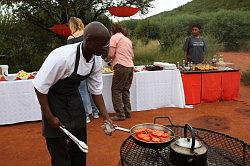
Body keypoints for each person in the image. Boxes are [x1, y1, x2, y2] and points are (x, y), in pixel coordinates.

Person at [33, 21, 113, 166]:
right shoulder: (62, 57)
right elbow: (39, 87)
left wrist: (106, 118)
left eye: (106, 44)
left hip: (73, 98)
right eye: (102, 45)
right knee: (60, 154)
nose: (105, 49)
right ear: (88, 42)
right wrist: (50, 117)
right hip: (54, 99)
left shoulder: (96, 60)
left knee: (79, 149)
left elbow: (96, 90)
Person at [67, 17, 99, 123]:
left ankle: (86, 115)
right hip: (91, 64)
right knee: (93, 90)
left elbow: (70, 55)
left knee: (82, 91)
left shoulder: (71, 38)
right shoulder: (87, 34)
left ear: (72, 25)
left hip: (80, 68)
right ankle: (95, 112)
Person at [108, 24, 134, 121]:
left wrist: (108, 59)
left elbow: (111, 54)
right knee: (125, 90)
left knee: (116, 90)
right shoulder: (127, 40)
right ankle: (128, 112)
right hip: (130, 66)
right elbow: (132, 56)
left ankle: (120, 114)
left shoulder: (114, 38)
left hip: (121, 66)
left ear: (113, 31)